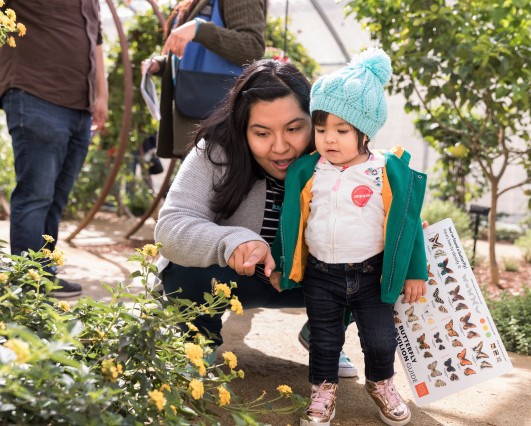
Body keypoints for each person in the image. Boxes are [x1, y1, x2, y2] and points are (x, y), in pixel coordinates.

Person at [153, 58, 359, 377]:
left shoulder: (341, 156)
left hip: (307, 281)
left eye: (294, 129)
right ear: (242, 128)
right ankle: (198, 339)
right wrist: (234, 242)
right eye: (262, 133)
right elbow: (170, 227)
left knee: (383, 261)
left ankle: (325, 335)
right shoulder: (217, 152)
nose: (280, 147)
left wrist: (400, 235)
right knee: (182, 268)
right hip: (233, 279)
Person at [270, 48, 427, 426]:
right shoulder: (309, 169)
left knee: (379, 339)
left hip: (373, 275)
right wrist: (279, 261)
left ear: (365, 132)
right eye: (321, 129)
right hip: (322, 275)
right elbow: (291, 221)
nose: (329, 139)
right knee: (325, 339)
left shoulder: (385, 169)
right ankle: (323, 391)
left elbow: (409, 223)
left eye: (342, 131)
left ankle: (381, 383)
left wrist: (415, 272)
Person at [0, 0, 108, 297]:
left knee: (56, 198)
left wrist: (102, 95)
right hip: (35, 95)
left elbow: (95, 39)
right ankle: (25, 286)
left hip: (79, 106)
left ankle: (43, 274)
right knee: (36, 195)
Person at [143, 0, 266, 158]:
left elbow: (252, 46)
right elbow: (195, 54)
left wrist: (200, 29)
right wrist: (161, 65)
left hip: (220, 131)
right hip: (198, 127)